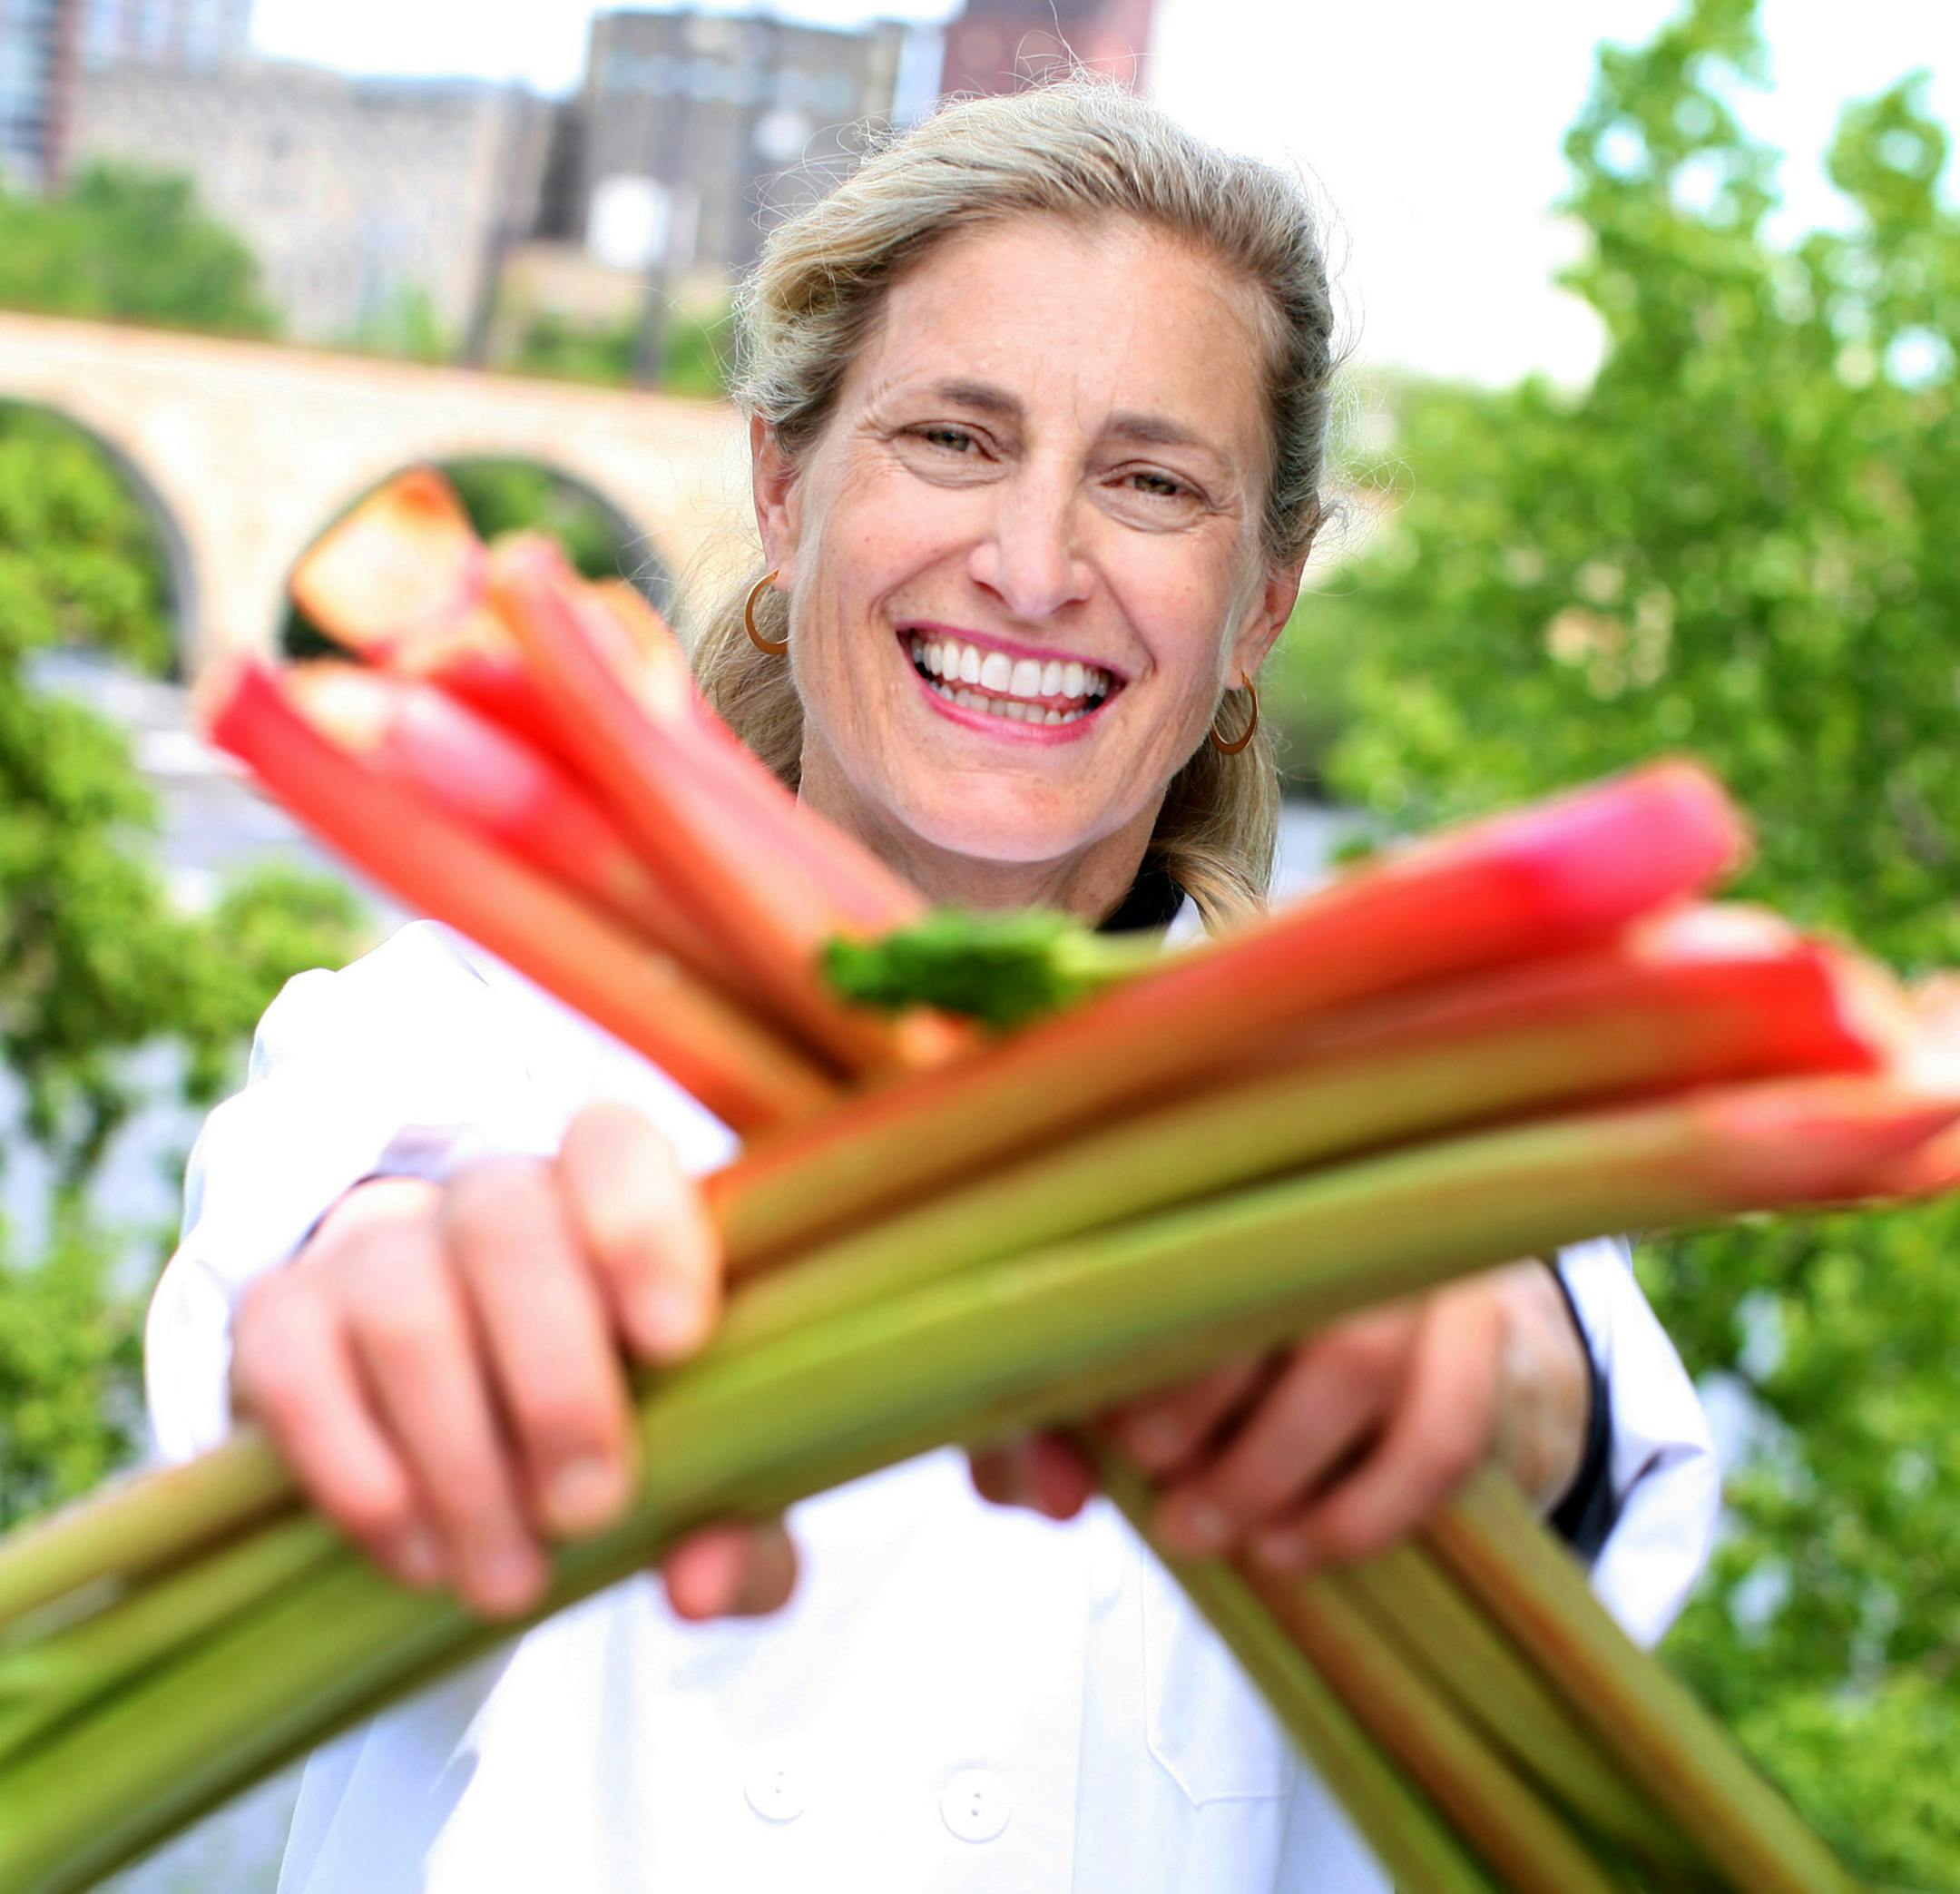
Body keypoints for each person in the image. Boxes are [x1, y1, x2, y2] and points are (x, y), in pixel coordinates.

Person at [149, 79, 1719, 1893]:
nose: (1036, 566)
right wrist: (400, 1330)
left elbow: (1556, 1401)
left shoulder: (1388, 1137)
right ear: (786, 484)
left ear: (1262, 602)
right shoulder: (452, 1037)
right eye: (955, 441)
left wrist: (1493, 1379)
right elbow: (330, 1272)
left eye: (1151, 484)